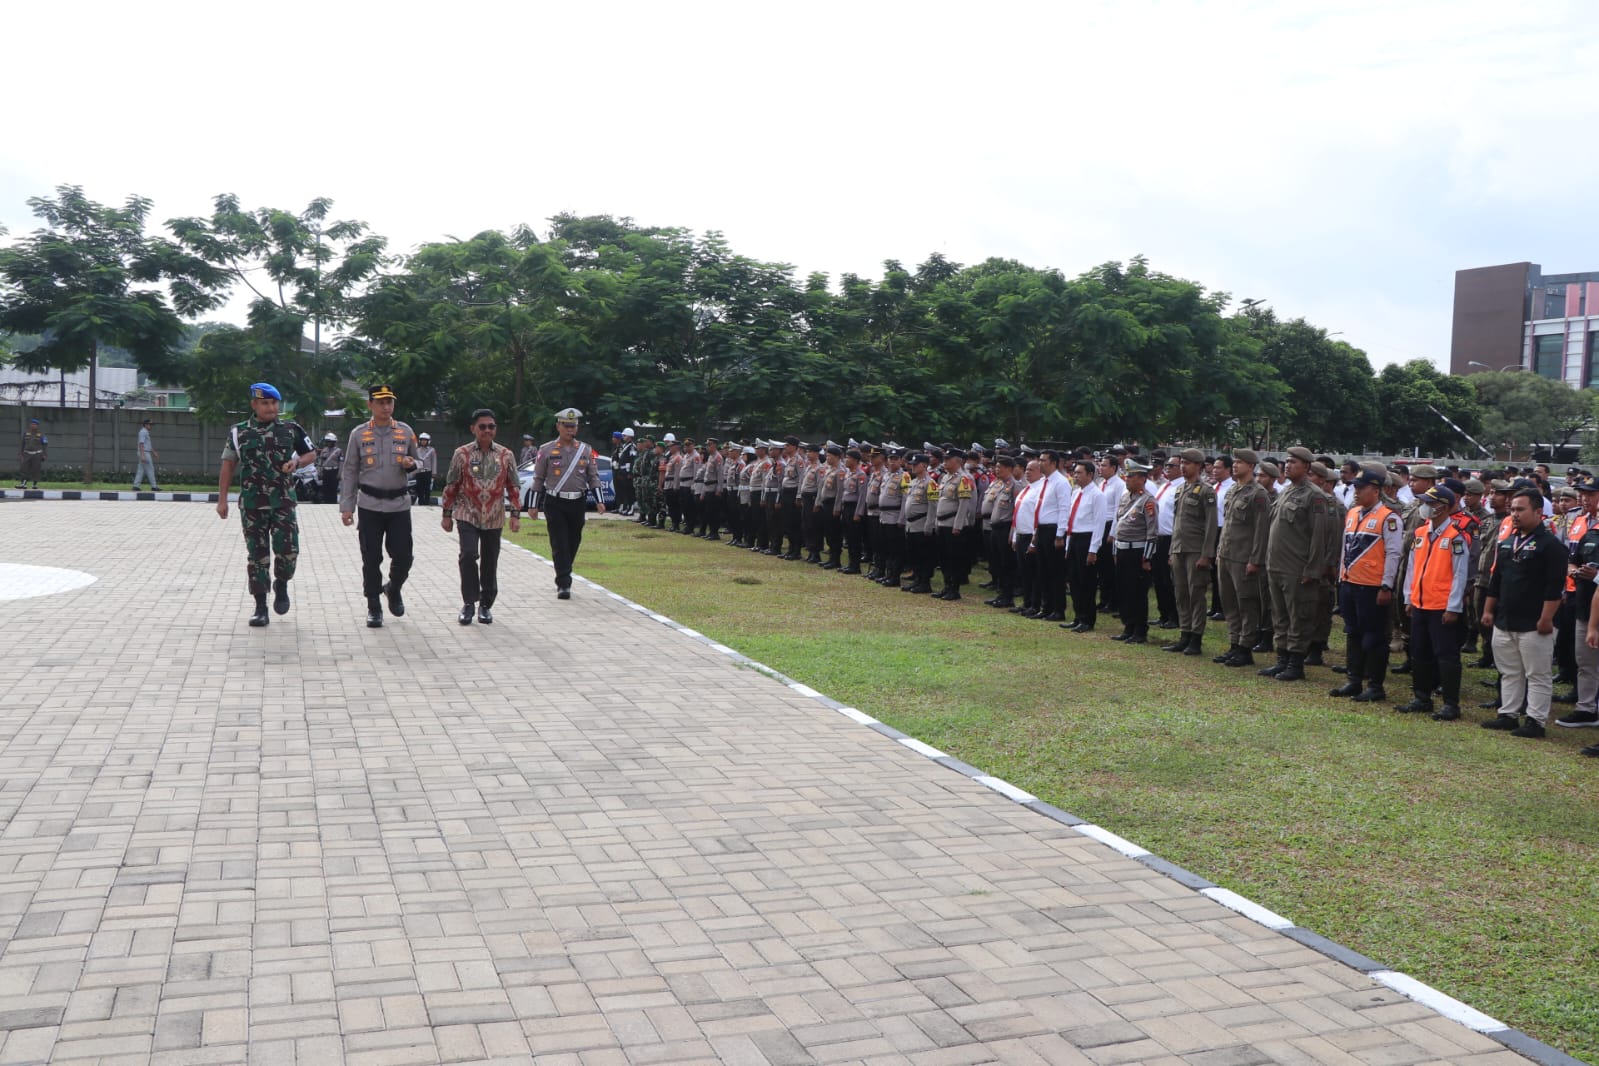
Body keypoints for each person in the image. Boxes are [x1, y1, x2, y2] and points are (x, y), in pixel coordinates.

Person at [215, 383, 315, 626]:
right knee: (257, 556)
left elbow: (311, 454)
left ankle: (281, 583)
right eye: (265, 403)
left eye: (274, 403)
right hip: (252, 506)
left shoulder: (291, 429)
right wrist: (222, 499)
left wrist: (297, 463)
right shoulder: (239, 433)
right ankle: (261, 607)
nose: (271, 408)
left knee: (288, 551)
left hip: (283, 503)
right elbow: (228, 465)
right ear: (254, 405)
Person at [1482, 486, 1568, 738]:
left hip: (1534, 622)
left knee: (1537, 674)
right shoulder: (1508, 542)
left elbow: (1555, 586)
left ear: (1539, 512)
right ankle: (1508, 714)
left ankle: (1535, 720)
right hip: (1505, 619)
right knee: (1509, 670)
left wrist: (1546, 618)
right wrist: (1489, 610)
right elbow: (1496, 580)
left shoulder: (1550, 546)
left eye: (1520, 509)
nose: (1514, 514)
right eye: (1512, 510)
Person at [339, 384, 421, 628]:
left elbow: (420, 460)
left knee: (404, 555)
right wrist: (347, 506)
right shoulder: (359, 433)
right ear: (370, 405)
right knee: (371, 557)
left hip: (398, 505)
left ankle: (393, 588)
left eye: (390, 402)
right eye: (381, 402)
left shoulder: (405, 431)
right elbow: (351, 471)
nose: (386, 406)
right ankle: (373, 605)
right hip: (370, 505)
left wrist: (411, 463)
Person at [1258, 446, 1335, 681]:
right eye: (1287, 462)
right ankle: (1282, 659)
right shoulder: (1285, 492)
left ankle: (1295, 663)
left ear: (1307, 467)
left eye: (1294, 462)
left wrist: (1312, 569)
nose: (1288, 465)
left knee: (1298, 616)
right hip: (1276, 565)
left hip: (1297, 567)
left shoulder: (1314, 496)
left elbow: (1318, 536)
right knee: (1279, 615)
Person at [441, 409, 522, 625]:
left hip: (494, 516)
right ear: (473, 429)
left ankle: (485, 605)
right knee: (468, 555)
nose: (487, 430)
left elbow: (513, 486)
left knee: (490, 560)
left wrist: (515, 514)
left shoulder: (506, 455)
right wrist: (446, 514)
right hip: (467, 513)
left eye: (491, 426)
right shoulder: (462, 454)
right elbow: (451, 484)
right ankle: (469, 602)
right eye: (483, 426)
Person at [1330, 466, 1402, 703]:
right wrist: (1341, 576)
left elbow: (1393, 554)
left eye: (1361, 489)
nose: (1357, 492)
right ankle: (1354, 679)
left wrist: (1386, 586)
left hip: (1372, 587)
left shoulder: (1388, 518)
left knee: (1373, 636)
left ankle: (1375, 684)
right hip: (1350, 582)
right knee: (1352, 632)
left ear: (1376, 490)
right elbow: (1346, 547)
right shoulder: (1353, 513)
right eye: (1355, 488)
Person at [1398, 486, 1470, 719]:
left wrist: (1453, 606)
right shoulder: (1420, 533)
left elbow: (1460, 574)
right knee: (1419, 652)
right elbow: (1411, 567)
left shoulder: (1455, 536)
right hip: (1420, 603)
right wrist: (1409, 597)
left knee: (1446, 655)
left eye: (1430, 503)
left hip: (1442, 606)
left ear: (1444, 507)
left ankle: (1451, 703)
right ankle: (1422, 697)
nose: (1425, 507)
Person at [528, 407, 605, 600]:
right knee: (559, 541)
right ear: (558, 426)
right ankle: (564, 583)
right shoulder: (546, 450)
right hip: (555, 501)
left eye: (573, 426)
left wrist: (600, 501)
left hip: (577, 501)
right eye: (566, 426)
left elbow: (593, 477)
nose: (570, 430)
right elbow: (538, 478)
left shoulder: (586, 450)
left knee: (574, 540)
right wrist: (533, 505)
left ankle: (564, 568)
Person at [1214, 448, 1270, 667]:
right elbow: (1227, 525)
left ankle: (1246, 648)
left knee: (1246, 603)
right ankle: (1234, 644)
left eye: (1240, 462)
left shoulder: (1258, 494)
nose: (1235, 465)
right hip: (1227, 554)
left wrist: (1255, 560)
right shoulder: (1233, 491)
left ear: (1251, 466)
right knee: (1229, 603)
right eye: (1235, 462)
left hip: (1244, 557)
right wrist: (1220, 552)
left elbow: (1261, 530)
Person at [1164, 448, 1218, 655]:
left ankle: (1196, 637)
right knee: (1181, 593)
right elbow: (1177, 522)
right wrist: (1172, 550)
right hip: (1179, 548)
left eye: (1188, 463)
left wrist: (1206, 554)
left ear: (1198, 466)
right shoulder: (1180, 489)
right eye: (1182, 463)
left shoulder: (1206, 491)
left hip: (1196, 550)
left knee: (1196, 594)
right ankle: (1184, 633)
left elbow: (1211, 525)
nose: (1183, 467)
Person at [1110, 460, 1157, 644]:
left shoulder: (1148, 501)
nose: (1126, 479)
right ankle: (1128, 626)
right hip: (1122, 550)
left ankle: (1139, 630)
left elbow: (1152, 533)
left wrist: (1147, 558)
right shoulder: (1125, 497)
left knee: (1137, 593)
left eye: (1131, 476)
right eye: (1127, 475)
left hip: (1137, 553)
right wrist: (1115, 549)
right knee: (1124, 591)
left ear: (1142, 479)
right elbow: (1119, 525)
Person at [1062, 460, 1105, 631]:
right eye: (1075, 472)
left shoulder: (1097, 495)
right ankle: (1078, 616)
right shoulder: (1076, 492)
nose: (1075, 475)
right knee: (1074, 580)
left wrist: (1093, 549)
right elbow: (1070, 520)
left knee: (1086, 582)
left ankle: (1087, 619)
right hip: (1074, 538)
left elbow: (1099, 523)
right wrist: (1067, 546)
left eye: (1079, 473)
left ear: (1090, 474)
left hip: (1087, 539)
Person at [17, 418, 46, 488]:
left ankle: (34, 484)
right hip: (27, 454)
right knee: (24, 469)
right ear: (30, 425)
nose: (33, 426)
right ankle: (23, 484)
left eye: (35, 424)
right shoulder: (26, 433)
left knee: (36, 469)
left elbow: (45, 445)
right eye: (32, 424)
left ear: (37, 426)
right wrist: (20, 453)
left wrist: (44, 454)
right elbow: (22, 444)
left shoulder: (41, 434)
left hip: (37, 454)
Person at [133, 418, 159, 491]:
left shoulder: (145, 432)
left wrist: (153, 452)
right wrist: (142, 455)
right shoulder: (143, 432)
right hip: (144, 452)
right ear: (145, 425)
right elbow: (141, 444)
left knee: (141, 470)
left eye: (151, 425)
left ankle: (136, 486)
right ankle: (154, 486)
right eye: (150, 425)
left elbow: (148, 445)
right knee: (150, 469)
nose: (151, 426)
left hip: (145, 452)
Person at [316, 433, 344, 504]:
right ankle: (326, 503)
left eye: (330, 441)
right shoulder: (324, 450)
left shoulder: (339, 451)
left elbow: (341, 463)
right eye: (327, 441)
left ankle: (333, 503)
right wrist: (319, 472)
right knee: (325, 488)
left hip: (334, 471)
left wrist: (339, 474)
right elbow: (320, 462)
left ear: (334, 442)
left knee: (333, 489)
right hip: (326, 471)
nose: (328, 443)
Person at [413, 432, 437, 505]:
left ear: (428, 441)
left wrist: (434, 472)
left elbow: (434, 461)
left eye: (425, 440)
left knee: (427, 487)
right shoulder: (417, 450)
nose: (423, 441)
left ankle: (426, 501)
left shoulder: (432, 450)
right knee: (419, 487)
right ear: (420, 441)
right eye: (422, 440)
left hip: (428, 471)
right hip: (419, 471)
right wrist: (414, 471)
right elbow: (415, 461)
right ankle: (421, 501)